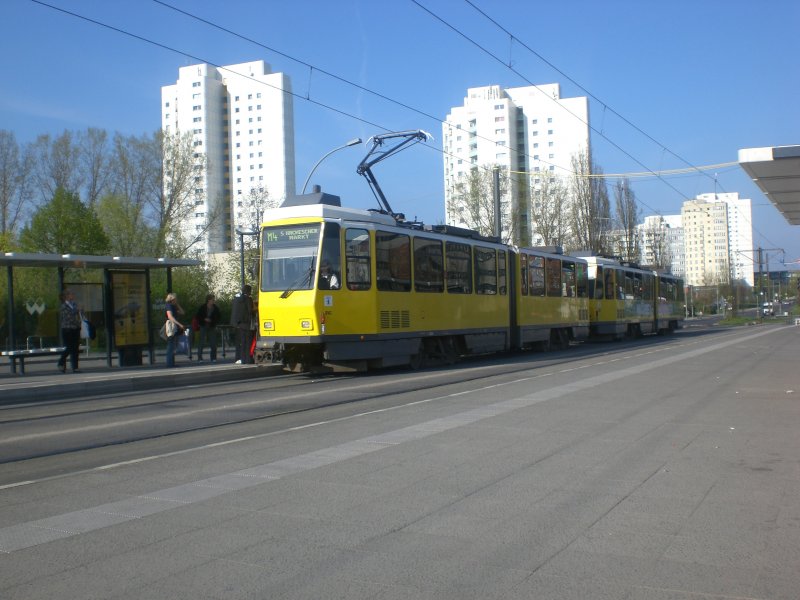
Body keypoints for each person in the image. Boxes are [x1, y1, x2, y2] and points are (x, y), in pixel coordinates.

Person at [56, 289, 82, 373]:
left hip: (75, 329)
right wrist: (78, 321)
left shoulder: (74, 305)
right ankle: (61, 362)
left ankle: (75, 367)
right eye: (71, 294)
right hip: (67, 329)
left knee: (75, 348)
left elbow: (79, 315)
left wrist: (80, 311)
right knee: (69, 347)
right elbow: (69, 318)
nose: (73, 295)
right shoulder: (64, 306)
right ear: (66, 297)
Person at [230, 284, 255, 364]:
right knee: (247, 343)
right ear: (249, 291)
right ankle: (247, 359)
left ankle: (239, 359)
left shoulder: (236, 299)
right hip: (246, 325)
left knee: (240, 343)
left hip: (237, 325)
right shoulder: (248, 299)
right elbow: (250, 311)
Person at [194, 293, 221, 362]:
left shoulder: (215, 308)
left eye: (214, 300)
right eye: (212, 300)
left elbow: (218, 317)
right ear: (208, 300)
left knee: (213, 343)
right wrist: (204, 319)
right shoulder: (203, 307)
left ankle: (213, 358)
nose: (213, 301)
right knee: (201, 342)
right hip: (203, 326)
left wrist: (212, 321)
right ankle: (200, 358)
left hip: (212, 326)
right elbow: (197, 316)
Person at [164, 292, 185, 368]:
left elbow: (182, 312)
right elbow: (170, 317)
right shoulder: (168, 306)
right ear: (172, 299)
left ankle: (171, 363)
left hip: (174, 327)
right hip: (171, 327)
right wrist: (179, 324)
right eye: (175, 299)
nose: (176, 300)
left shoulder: (174, 306)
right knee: (170, 345)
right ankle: (169, 363)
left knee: (173, 345)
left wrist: (177, 305)